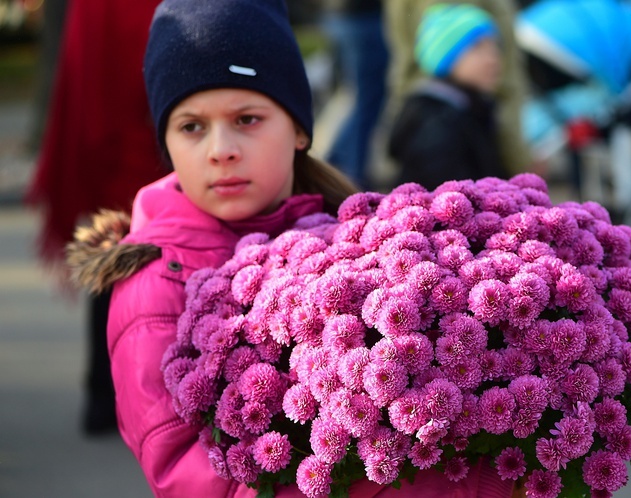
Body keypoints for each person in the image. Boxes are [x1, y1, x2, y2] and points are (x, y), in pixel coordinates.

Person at [65, 0, 520, 496]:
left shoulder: (358, 235)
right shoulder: (157, 278)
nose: (221, 148)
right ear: (167, 143)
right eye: (191, 126)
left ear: (300, 128)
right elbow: (185, 471)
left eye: (247, 119)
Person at [25, 0, 165, 435]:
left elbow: (80, 78)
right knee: (152, 277)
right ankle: (129, 400)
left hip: (117, 149)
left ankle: (104, 397)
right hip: (150, 149)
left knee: (115, 272)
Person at [384, 0, 532, 178]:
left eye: (495, 46)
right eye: (478, 48)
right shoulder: (439, 131)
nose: (493, 58)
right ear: (448, 58)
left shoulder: (475, 109)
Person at [322, 0, 389, 190]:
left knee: (361, 99)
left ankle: (336, 166)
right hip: (361, 17)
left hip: (345, 17)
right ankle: (352, 177)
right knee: (367, 102)